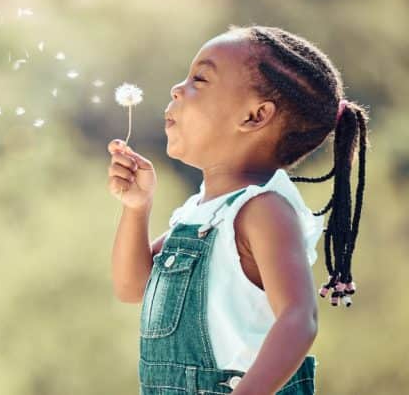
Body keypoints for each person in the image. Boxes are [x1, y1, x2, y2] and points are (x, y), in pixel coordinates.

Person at [107, 25, 371, 394]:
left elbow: (299, 318)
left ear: (255, 116)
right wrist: (137, 209)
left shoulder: (263, 210)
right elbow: (132, 287)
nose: (177, 89)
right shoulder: (200, 213)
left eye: (199, 79)